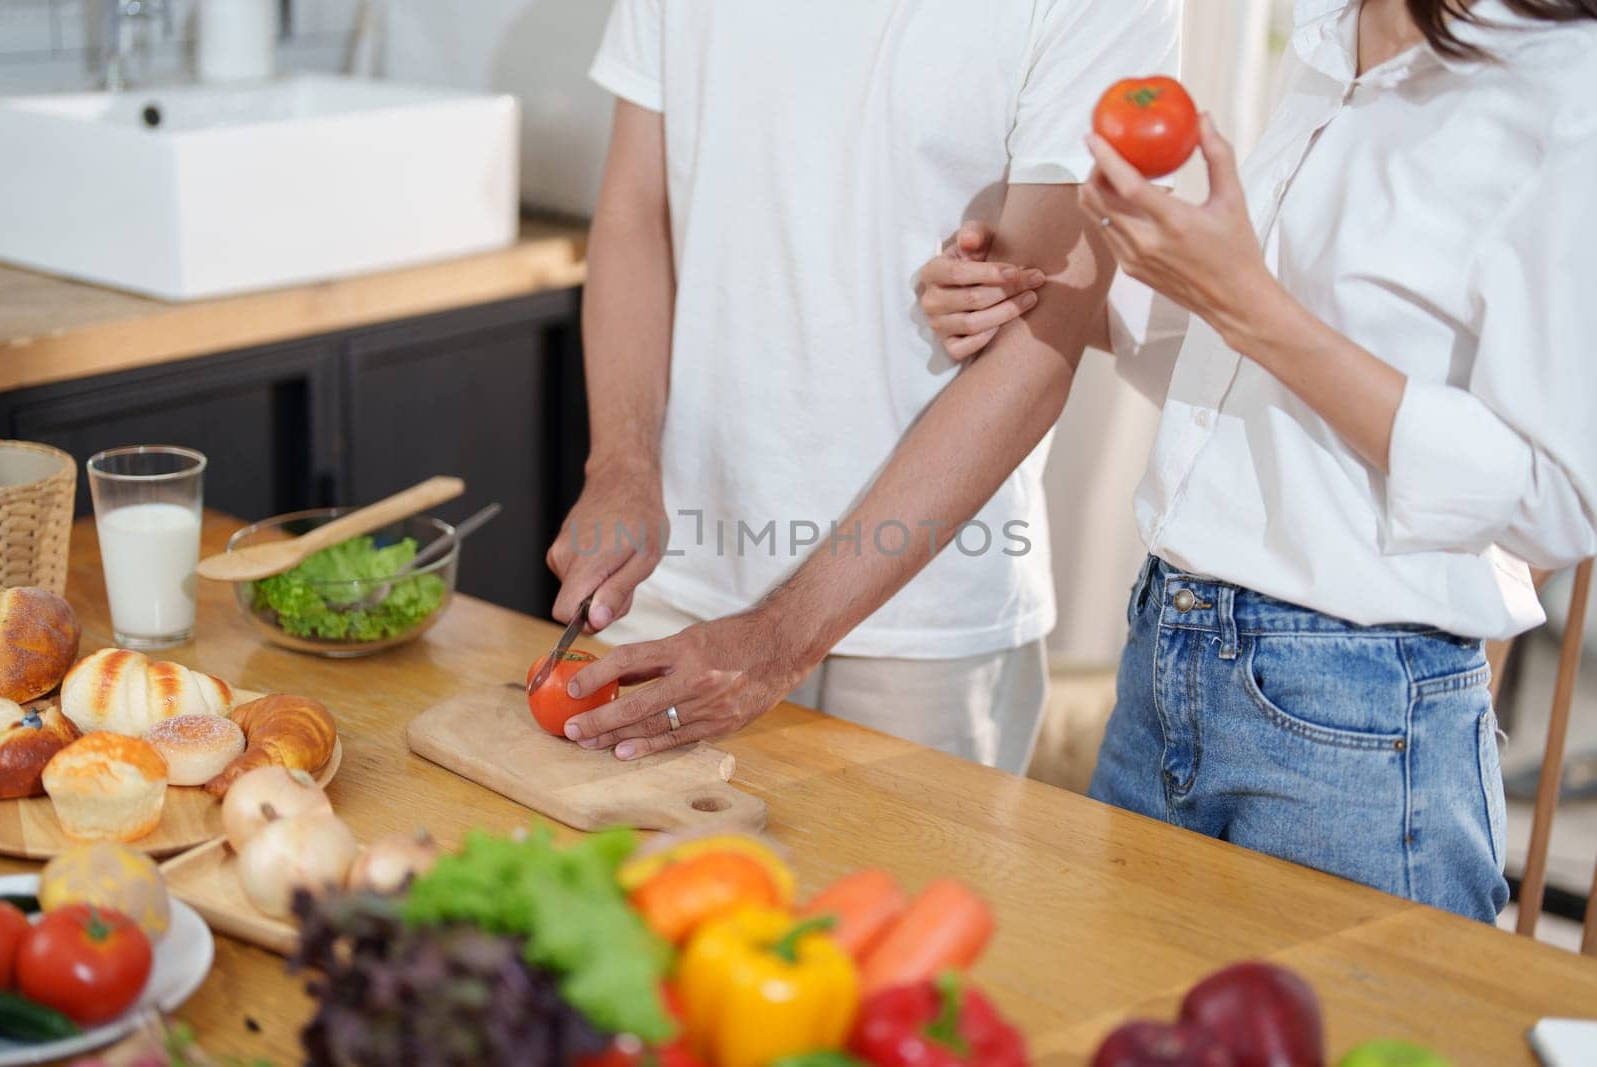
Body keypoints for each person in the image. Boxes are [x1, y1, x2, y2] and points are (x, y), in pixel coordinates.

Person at [917, 0, 1597, 920]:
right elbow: (1254, 375)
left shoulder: (1566, 87)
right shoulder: (1332, 39)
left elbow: (1559, 497)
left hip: (1358, 717)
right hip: (1170, 645)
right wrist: (1035, 290)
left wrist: (1250, 305)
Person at [543, 2, 1181, 772]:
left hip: (921, 622)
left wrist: (780, 639)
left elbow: (1038, 342)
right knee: (643, 887)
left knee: (900, 897)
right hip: (673, 570)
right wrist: (620, 461)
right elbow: (636, 213)